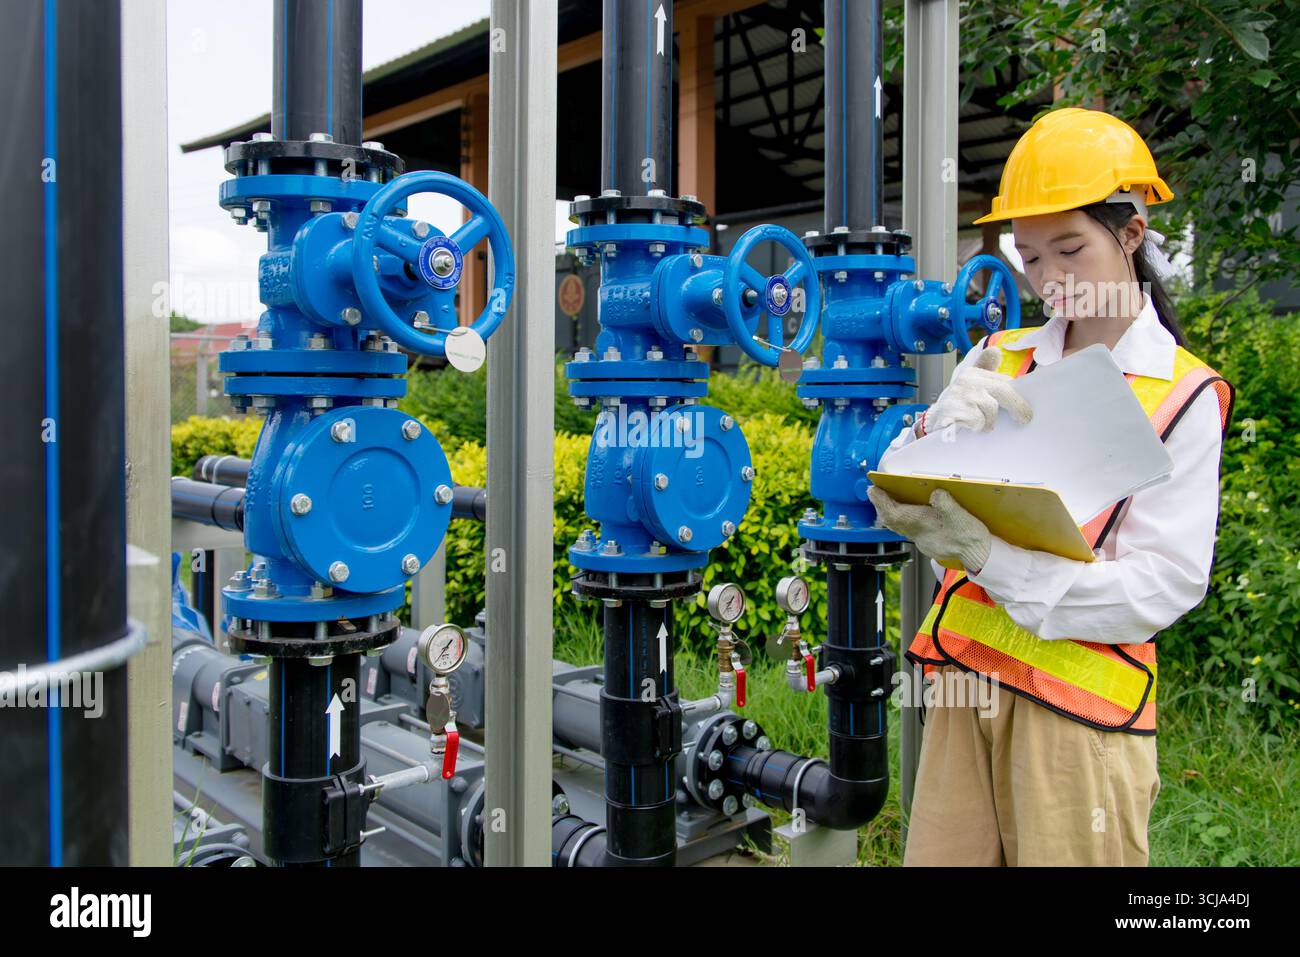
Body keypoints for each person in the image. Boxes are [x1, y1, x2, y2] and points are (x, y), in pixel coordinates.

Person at [866, 108, 1235, 866]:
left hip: (1079, 720)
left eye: (1071, 248)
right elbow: (905, 485)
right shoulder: (1000, 355)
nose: (1051, 280)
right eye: (1031, 258)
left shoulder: (1183, 391)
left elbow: (1166, 580)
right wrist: (932, 431)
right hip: (965, 693)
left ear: (1132, 232)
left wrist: (994, 560)